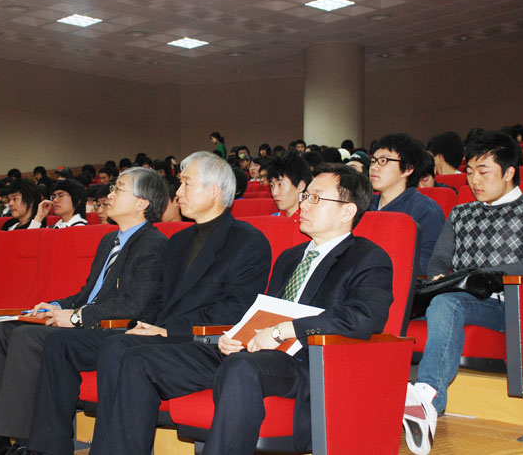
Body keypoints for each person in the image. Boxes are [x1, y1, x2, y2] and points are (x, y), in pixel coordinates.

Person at [90, 164, 394, 455]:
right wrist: (232, 335)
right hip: (253, 352)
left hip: (305, 362)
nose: (304, 204)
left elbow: (364, 317)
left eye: (316, 198)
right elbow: (263, 312)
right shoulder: (290, 257)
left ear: (347, 211)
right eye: (305, 196)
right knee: (137, 358)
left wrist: (285, 330)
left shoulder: (367, 258)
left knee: (241, 367)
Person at [24, 152, 272, 455]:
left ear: (214, 191)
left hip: (206, 342)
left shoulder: (247, 242)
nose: (177, 192)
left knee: (121, 349)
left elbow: (235, 310)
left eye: (186, 183)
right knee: (76, 342)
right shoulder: (179, 241)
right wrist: (143, 324)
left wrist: (168, 330)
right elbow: (160, 299)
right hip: (165, 334)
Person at [0, 167, 170, 455]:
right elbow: (87, 294)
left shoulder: (154, 244)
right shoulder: (109, 241)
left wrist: (76, 317)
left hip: (114, 331)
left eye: (118, 189)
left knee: (27, 337)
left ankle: (22, 439)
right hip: (87, 321)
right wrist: (56, 306)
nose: (109, 195)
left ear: (142, 203)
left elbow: (135, 305)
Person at [404, 131, 523, 455]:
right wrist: (438, 276)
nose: (474, 180)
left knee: (446, 304)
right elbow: (440, 258)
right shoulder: (461, 213)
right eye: (471, 171)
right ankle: (423, 399)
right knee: (443, 301)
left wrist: (495, 275)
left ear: (508, 172)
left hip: (512, 305)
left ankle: (427, 397)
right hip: (464, 299)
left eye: (484, 171)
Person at [370, 133, 444, 275]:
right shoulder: (364, 205)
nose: (374, 167)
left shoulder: (426, 210)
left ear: (408, 169)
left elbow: (429, 262)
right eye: (373, 161)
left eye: (383, 161)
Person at [268, 152, 312, 222]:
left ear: (300, 186)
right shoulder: (272, 220)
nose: (274, 193)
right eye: (272, 185)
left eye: (280, 184)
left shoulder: (311, 223)